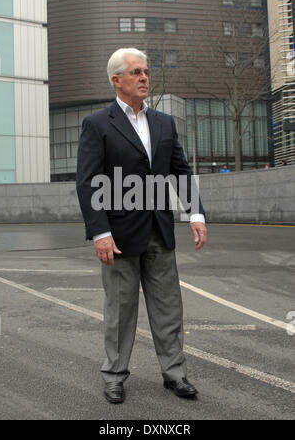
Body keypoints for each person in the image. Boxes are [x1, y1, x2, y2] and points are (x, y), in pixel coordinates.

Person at [76, 48, 207, 404]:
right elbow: (88, 182)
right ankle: (115, 375)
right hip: (117, 236)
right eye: (136, 72)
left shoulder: (164, 123)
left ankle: (175, 374)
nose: (144, 77)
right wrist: (100, 232)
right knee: (120, 310)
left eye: (146, 71)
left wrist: (195, 213)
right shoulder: (98, 124)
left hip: (159, 231)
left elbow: (179, 170)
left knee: (168, 306)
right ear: (116, 80)